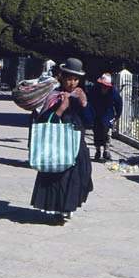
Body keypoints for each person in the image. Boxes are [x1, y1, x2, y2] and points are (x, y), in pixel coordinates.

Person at [30, 58, 93, 224]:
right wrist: (60, 109)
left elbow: (89, 121)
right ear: (62, 78)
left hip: (77, 141)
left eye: (75, 79)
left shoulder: (81, 96)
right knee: (60, 177)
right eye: (69, 78)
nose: (72, 83)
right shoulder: (54, 96)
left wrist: (84, 103)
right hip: (57, 143)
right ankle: (61, 209)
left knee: (79, 176)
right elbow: (43, 120)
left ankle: (69, 206)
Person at [87, 73, 123, 161]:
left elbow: (119, 104)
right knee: (97, 133)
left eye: (106, 86)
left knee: (108, 133)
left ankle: (106, 150)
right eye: (103, 85)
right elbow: (89, 102)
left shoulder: (113, 92)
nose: (104, 87)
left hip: (108, 116)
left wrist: (117, 115)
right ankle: (98, 150)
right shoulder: (94, 90)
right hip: (96, 115)